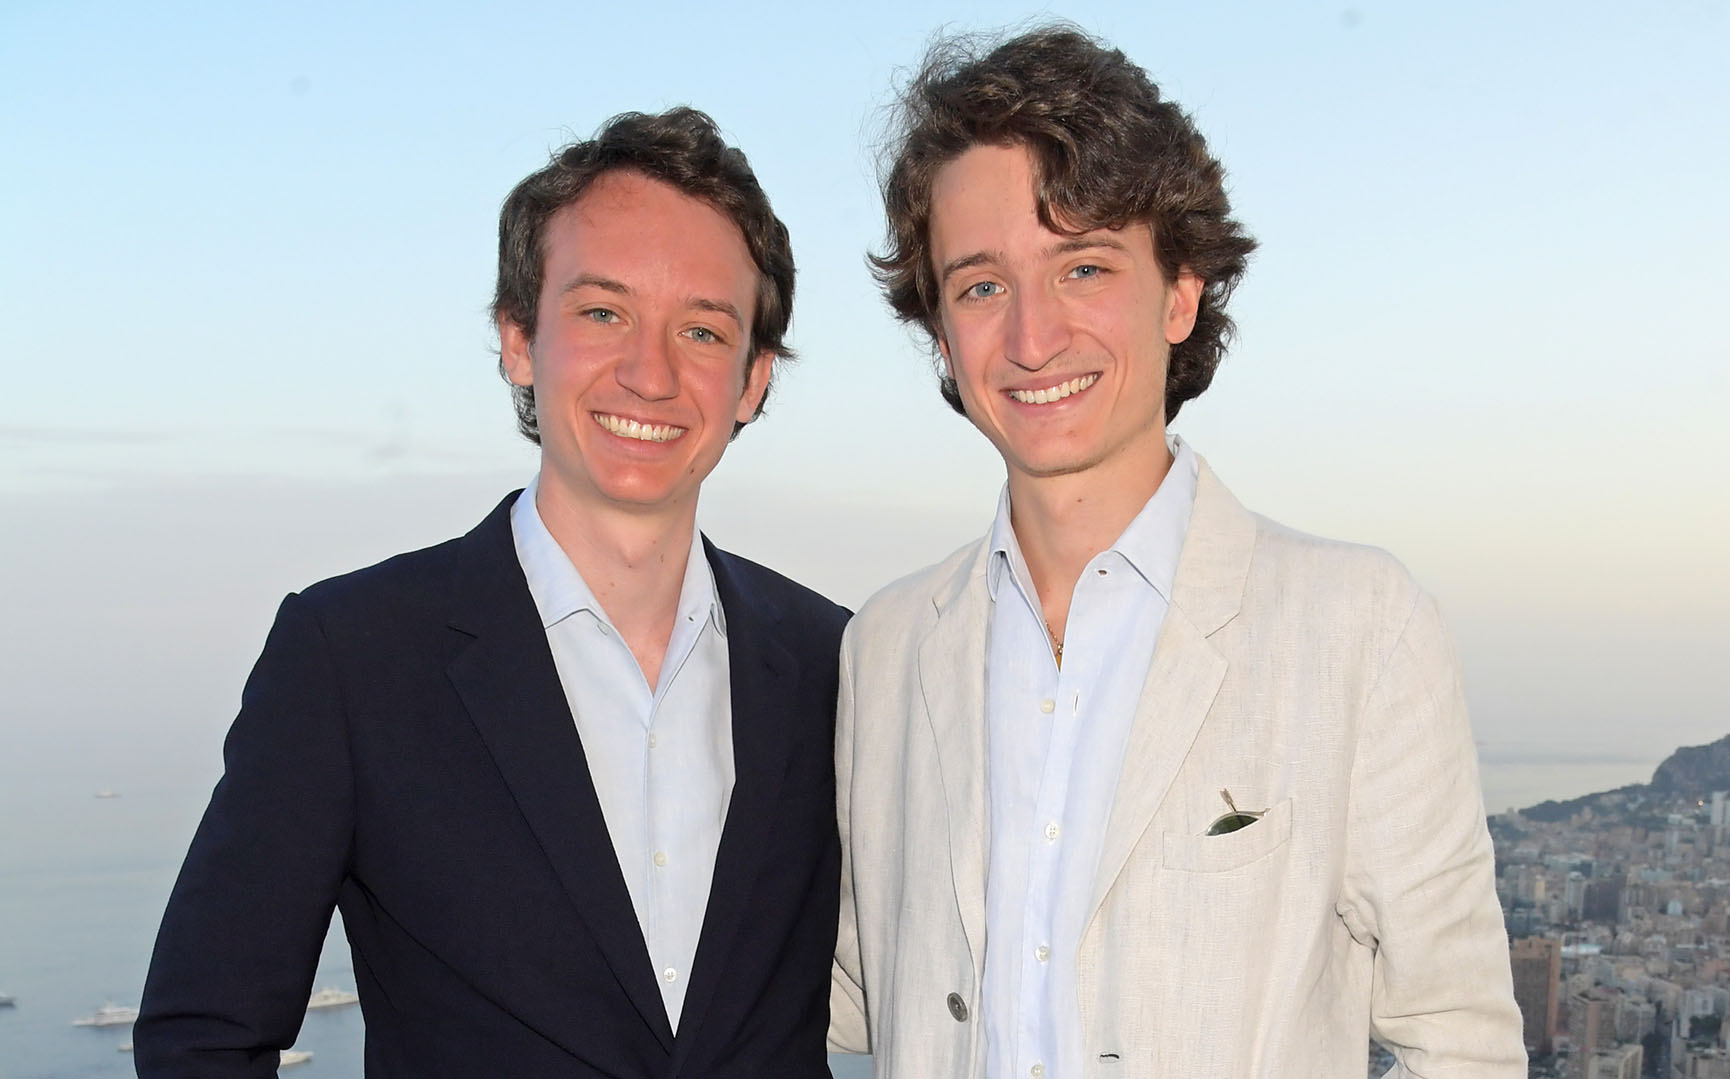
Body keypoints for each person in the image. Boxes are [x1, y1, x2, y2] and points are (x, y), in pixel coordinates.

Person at [829, 27, 1526, 1077]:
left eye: (1085, 266)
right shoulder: (883, 646)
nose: (1031, 336)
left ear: (1181, 291)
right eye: (979, 286)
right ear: (938, 329)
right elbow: (850, 1003)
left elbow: (1459, 1039)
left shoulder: (1357, 625)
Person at [136, 108, 847, 1078]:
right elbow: (202, 1033)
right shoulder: (352, 656)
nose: (650, 371)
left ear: (753, 380)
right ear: (519, 339)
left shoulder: (834, 663)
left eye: (703, 328)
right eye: (603, 312)